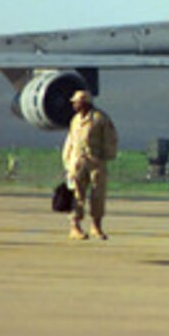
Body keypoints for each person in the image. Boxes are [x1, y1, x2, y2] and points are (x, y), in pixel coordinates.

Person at [61, 89, 118, 240]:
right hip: (77, 162)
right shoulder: (75, 120)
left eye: (76, 102)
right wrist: (67, 161)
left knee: (97, 194)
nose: (74, 105)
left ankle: (96, 226)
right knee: (77, 194)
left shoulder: (100, 119)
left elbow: (110, 139)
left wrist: (106, 156)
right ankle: (75, 226)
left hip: (95, 161)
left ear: (84, 103)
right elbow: (70, 141)